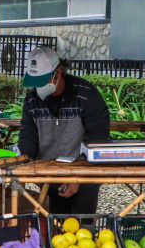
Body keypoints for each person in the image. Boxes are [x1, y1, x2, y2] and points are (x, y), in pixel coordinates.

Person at [16, 47, 110, 215]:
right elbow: (28, 136)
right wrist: (24, 161)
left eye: (42, 81)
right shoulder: (31, 101)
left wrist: (79, 177)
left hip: (84, 173)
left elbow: (99, 141)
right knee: (55, 229)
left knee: (82, 230)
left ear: (58, 74)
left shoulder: (86, 95)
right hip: (49, 174)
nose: (38, 88)